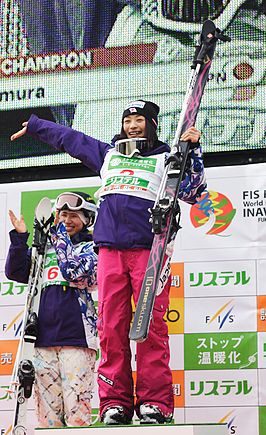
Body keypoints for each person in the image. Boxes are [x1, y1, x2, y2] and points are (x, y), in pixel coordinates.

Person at [10, 99, 206, 425]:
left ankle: (155, 402)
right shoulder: (109, 156)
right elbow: (73, 140)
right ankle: (114, 401)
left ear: (153, 125)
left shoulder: (167, 160)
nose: (132, 126)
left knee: (151, 328)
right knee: (110, 329)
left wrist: (193, 153)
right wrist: (36, 125)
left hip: (149, 249)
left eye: (139, 121)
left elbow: (193, 191)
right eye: (128, 121)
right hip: (109, 252)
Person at [5, 191, 98, 428]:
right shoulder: (43, 249)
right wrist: (20, 237)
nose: (67, 220)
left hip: (77, 339)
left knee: (77, 411)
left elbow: (74, 270)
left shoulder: (92, 247)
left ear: (88, 218)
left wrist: (57, 236)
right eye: (63, 214)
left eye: (74, 215)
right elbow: (15, 271)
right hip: (41, 338)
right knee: (48, 416)